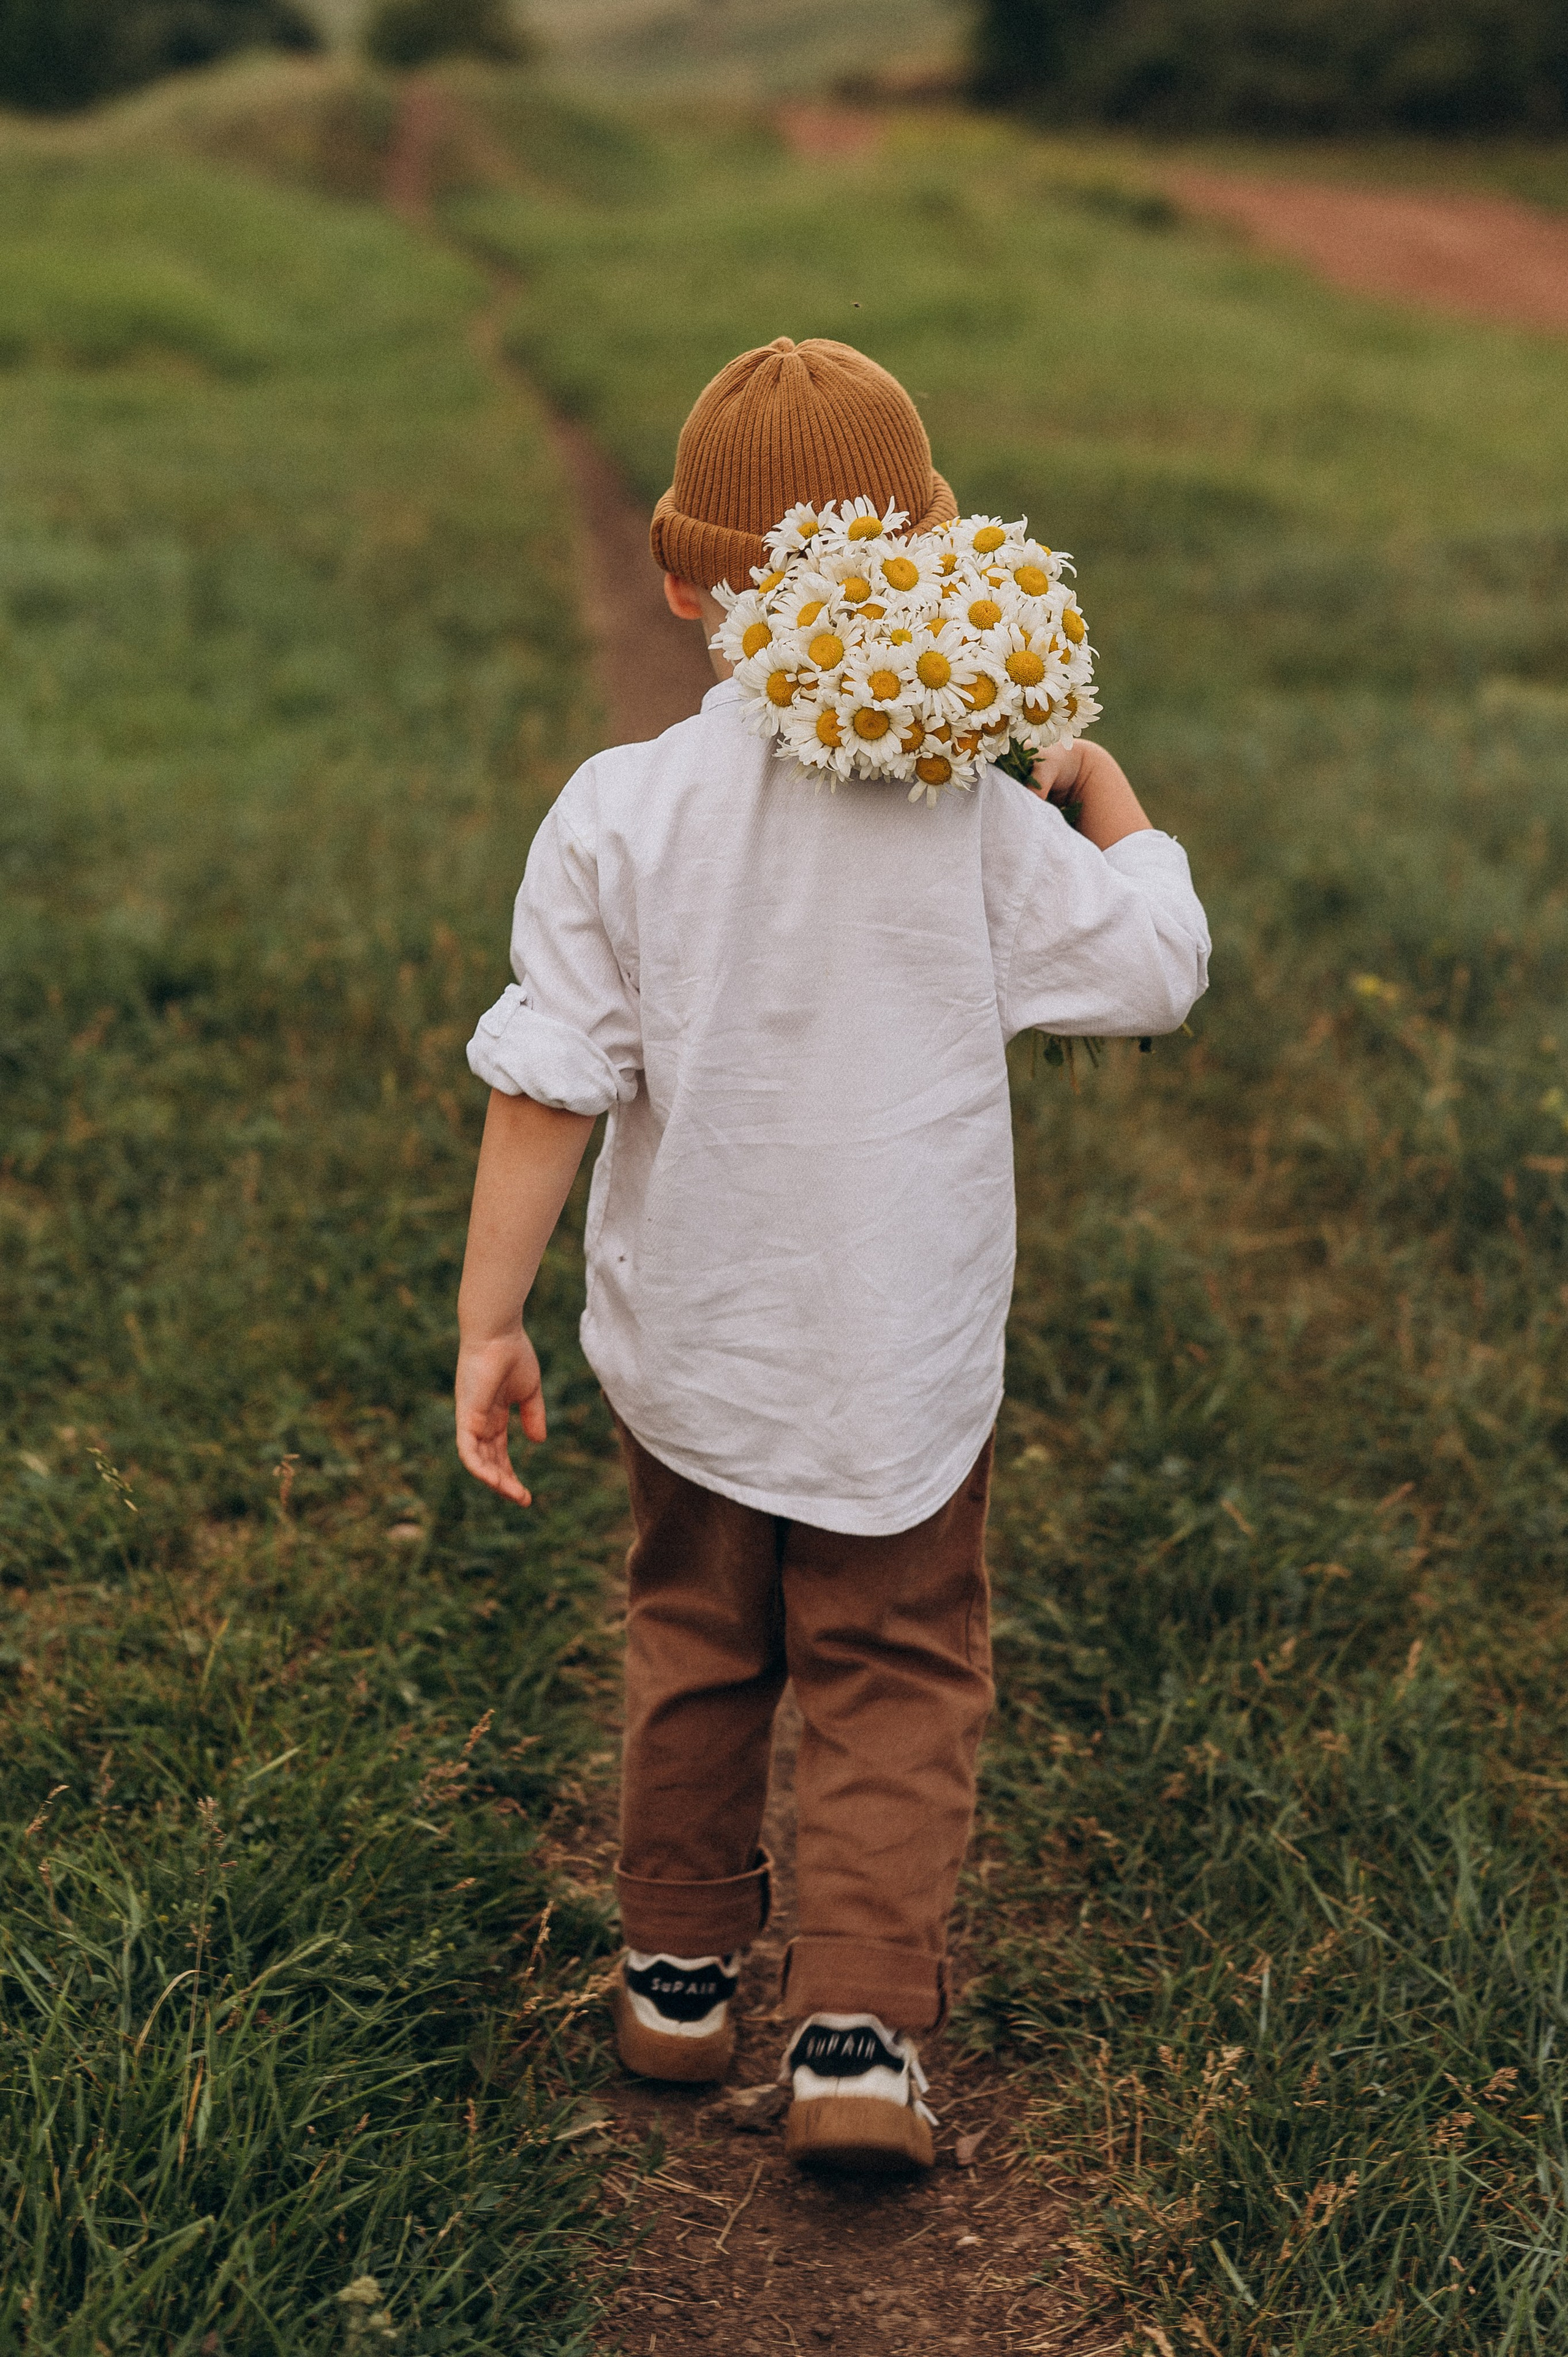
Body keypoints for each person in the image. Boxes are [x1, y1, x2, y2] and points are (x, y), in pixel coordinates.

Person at [454, 336, 1209, 2174]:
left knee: (697, 1635)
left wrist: (493, 1318)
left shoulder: (619, 812)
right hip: (901, 1366)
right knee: (894, 1662)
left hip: (692, 1354)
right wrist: (1106, 798)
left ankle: (678, 1977)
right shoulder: (967, 814)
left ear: (683, 581)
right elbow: (1153, 971)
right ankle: (860, 2037)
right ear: (933, 560)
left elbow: (552, 1079)